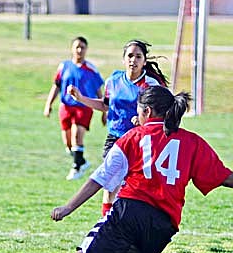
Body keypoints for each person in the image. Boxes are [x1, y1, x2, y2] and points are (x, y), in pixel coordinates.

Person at [51, 86, 233, 253]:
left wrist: (69, 207)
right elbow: (224, 176)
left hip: (130, 210)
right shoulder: (192, 141)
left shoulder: (133, 137)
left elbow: (99, 178)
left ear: (146, 111)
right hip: (164, 224)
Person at [68, 39, 168, 215]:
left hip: (141, 141)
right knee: (109, 186)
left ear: (144, 60)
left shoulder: (151, 84)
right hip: (115, 139)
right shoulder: (113, 80)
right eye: (130, 56)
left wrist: (144, 120)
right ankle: (106, 223)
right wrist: (81, 98)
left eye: (138, 56)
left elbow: (163, 111)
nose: (133, 60)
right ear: (123, 59)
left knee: (137, 188)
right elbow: (106, 105)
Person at [44, 36, 105, 181]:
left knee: (77, 135)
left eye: (82, 47)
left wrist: (104, 111)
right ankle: (81, 161)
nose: (79, 50)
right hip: (66, 106)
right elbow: (56, 86)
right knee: (68, 142)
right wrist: (48, 104)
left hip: (83, 107)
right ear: (72, 49)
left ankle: (76, 168)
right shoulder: (64, 66)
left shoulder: (91, 69)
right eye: (77, 47)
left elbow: (98, 90)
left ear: (86, 50)